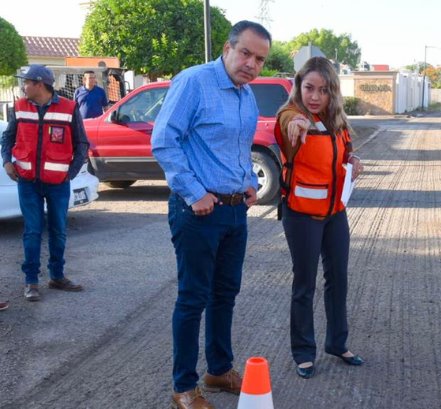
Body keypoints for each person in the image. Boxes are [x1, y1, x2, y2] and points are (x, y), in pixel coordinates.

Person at [151, 20, 270, 409]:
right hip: (198, 211)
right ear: (227, 48)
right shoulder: (194, 82)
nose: (252, 64)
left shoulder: (245, 94)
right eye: (246, 53)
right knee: (193, 298)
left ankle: (219, 369)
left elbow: (237, 148)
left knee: (225, 295)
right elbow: (164, 141)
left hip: (235, 212)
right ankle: (183, 386)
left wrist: (248, 180)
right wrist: (194, 192)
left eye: (260, 59)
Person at [274, 56, 364, 379]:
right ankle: (303, 351)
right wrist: (295, 125)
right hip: (302, 216)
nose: (315, 96)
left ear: (332, 93)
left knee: (338, 278)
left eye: (323, 90)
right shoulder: (291, 116)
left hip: (335, 213)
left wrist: (353, 160)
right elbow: (286, 126)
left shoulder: (334, 120)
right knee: (304, 283)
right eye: (309, 88)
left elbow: (344, 152)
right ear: (299, 87)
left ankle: (337, 343)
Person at [1, 64, 87, 302]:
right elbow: (7, 137)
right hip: (27, 181)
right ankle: (31, 281)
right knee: (32, 231)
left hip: (58, 182)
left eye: (26, 82)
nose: (23, 86)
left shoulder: (69, 108)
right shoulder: (19, 107)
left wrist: (70, 172)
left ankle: (57, 276)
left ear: (40, 84)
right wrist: (7, 162)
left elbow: (82, 144)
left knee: (58, 231)